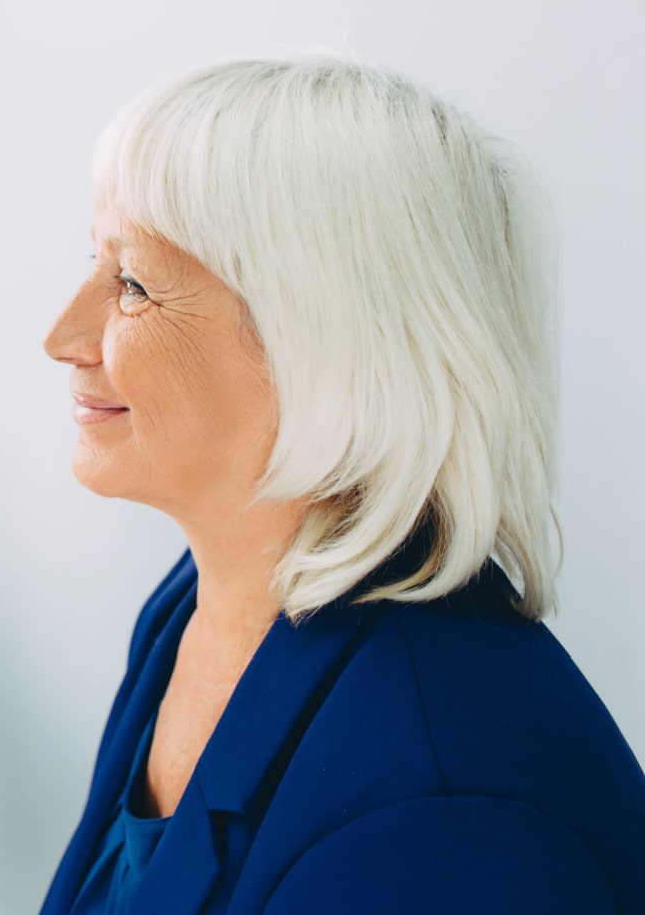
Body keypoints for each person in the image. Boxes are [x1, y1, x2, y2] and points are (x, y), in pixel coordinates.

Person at [38, 57, 645, 914]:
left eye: (131, 283)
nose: (62, 335)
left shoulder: (448, 821)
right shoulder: (193, 608)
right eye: (94, 263)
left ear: (326, 347)